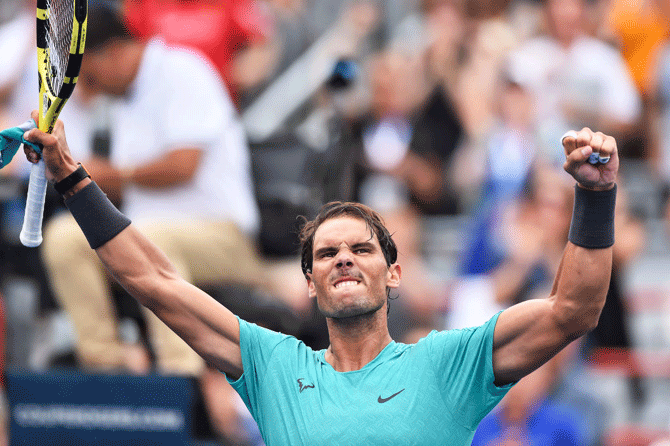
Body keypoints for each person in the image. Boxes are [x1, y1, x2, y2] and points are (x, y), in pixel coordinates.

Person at [23, 105, 619, 444]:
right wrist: (73, 176)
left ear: (394, 273)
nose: (342, 258)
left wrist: (595, 197)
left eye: (361, 248)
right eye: (326, 253)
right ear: (309, 283)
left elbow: (573, 311)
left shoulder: (447, 363)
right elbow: (153, 279)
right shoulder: (275, 366)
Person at [38, 2, 266, 443]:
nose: (89, 86)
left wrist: (105, 175)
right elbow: (114, 180)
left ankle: (178, 382)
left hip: (223, 234)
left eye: (90, 74)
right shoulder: (125, 96)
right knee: (64, 238)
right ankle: (109, 367)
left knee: (147, 240)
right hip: (156, 231)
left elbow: (184, 166)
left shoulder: (184, 71)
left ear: (114, 53)